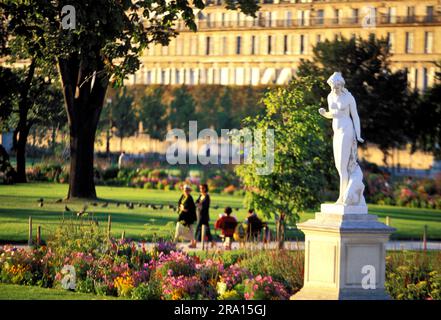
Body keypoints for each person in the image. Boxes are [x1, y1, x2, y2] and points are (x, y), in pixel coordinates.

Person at [319, 72, 364, 205]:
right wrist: (324, 114)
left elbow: (355, 116)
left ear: (341, 85)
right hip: (337, 132)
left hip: (347, 130)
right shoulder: (330, 96)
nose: (334, 89)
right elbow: (333, 114)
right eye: (332, 87)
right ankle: (346, 195)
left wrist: (358, 134)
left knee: (342, 165)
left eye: (337, 87)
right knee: (339, 166)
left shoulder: (349, 98)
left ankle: (342, 198)